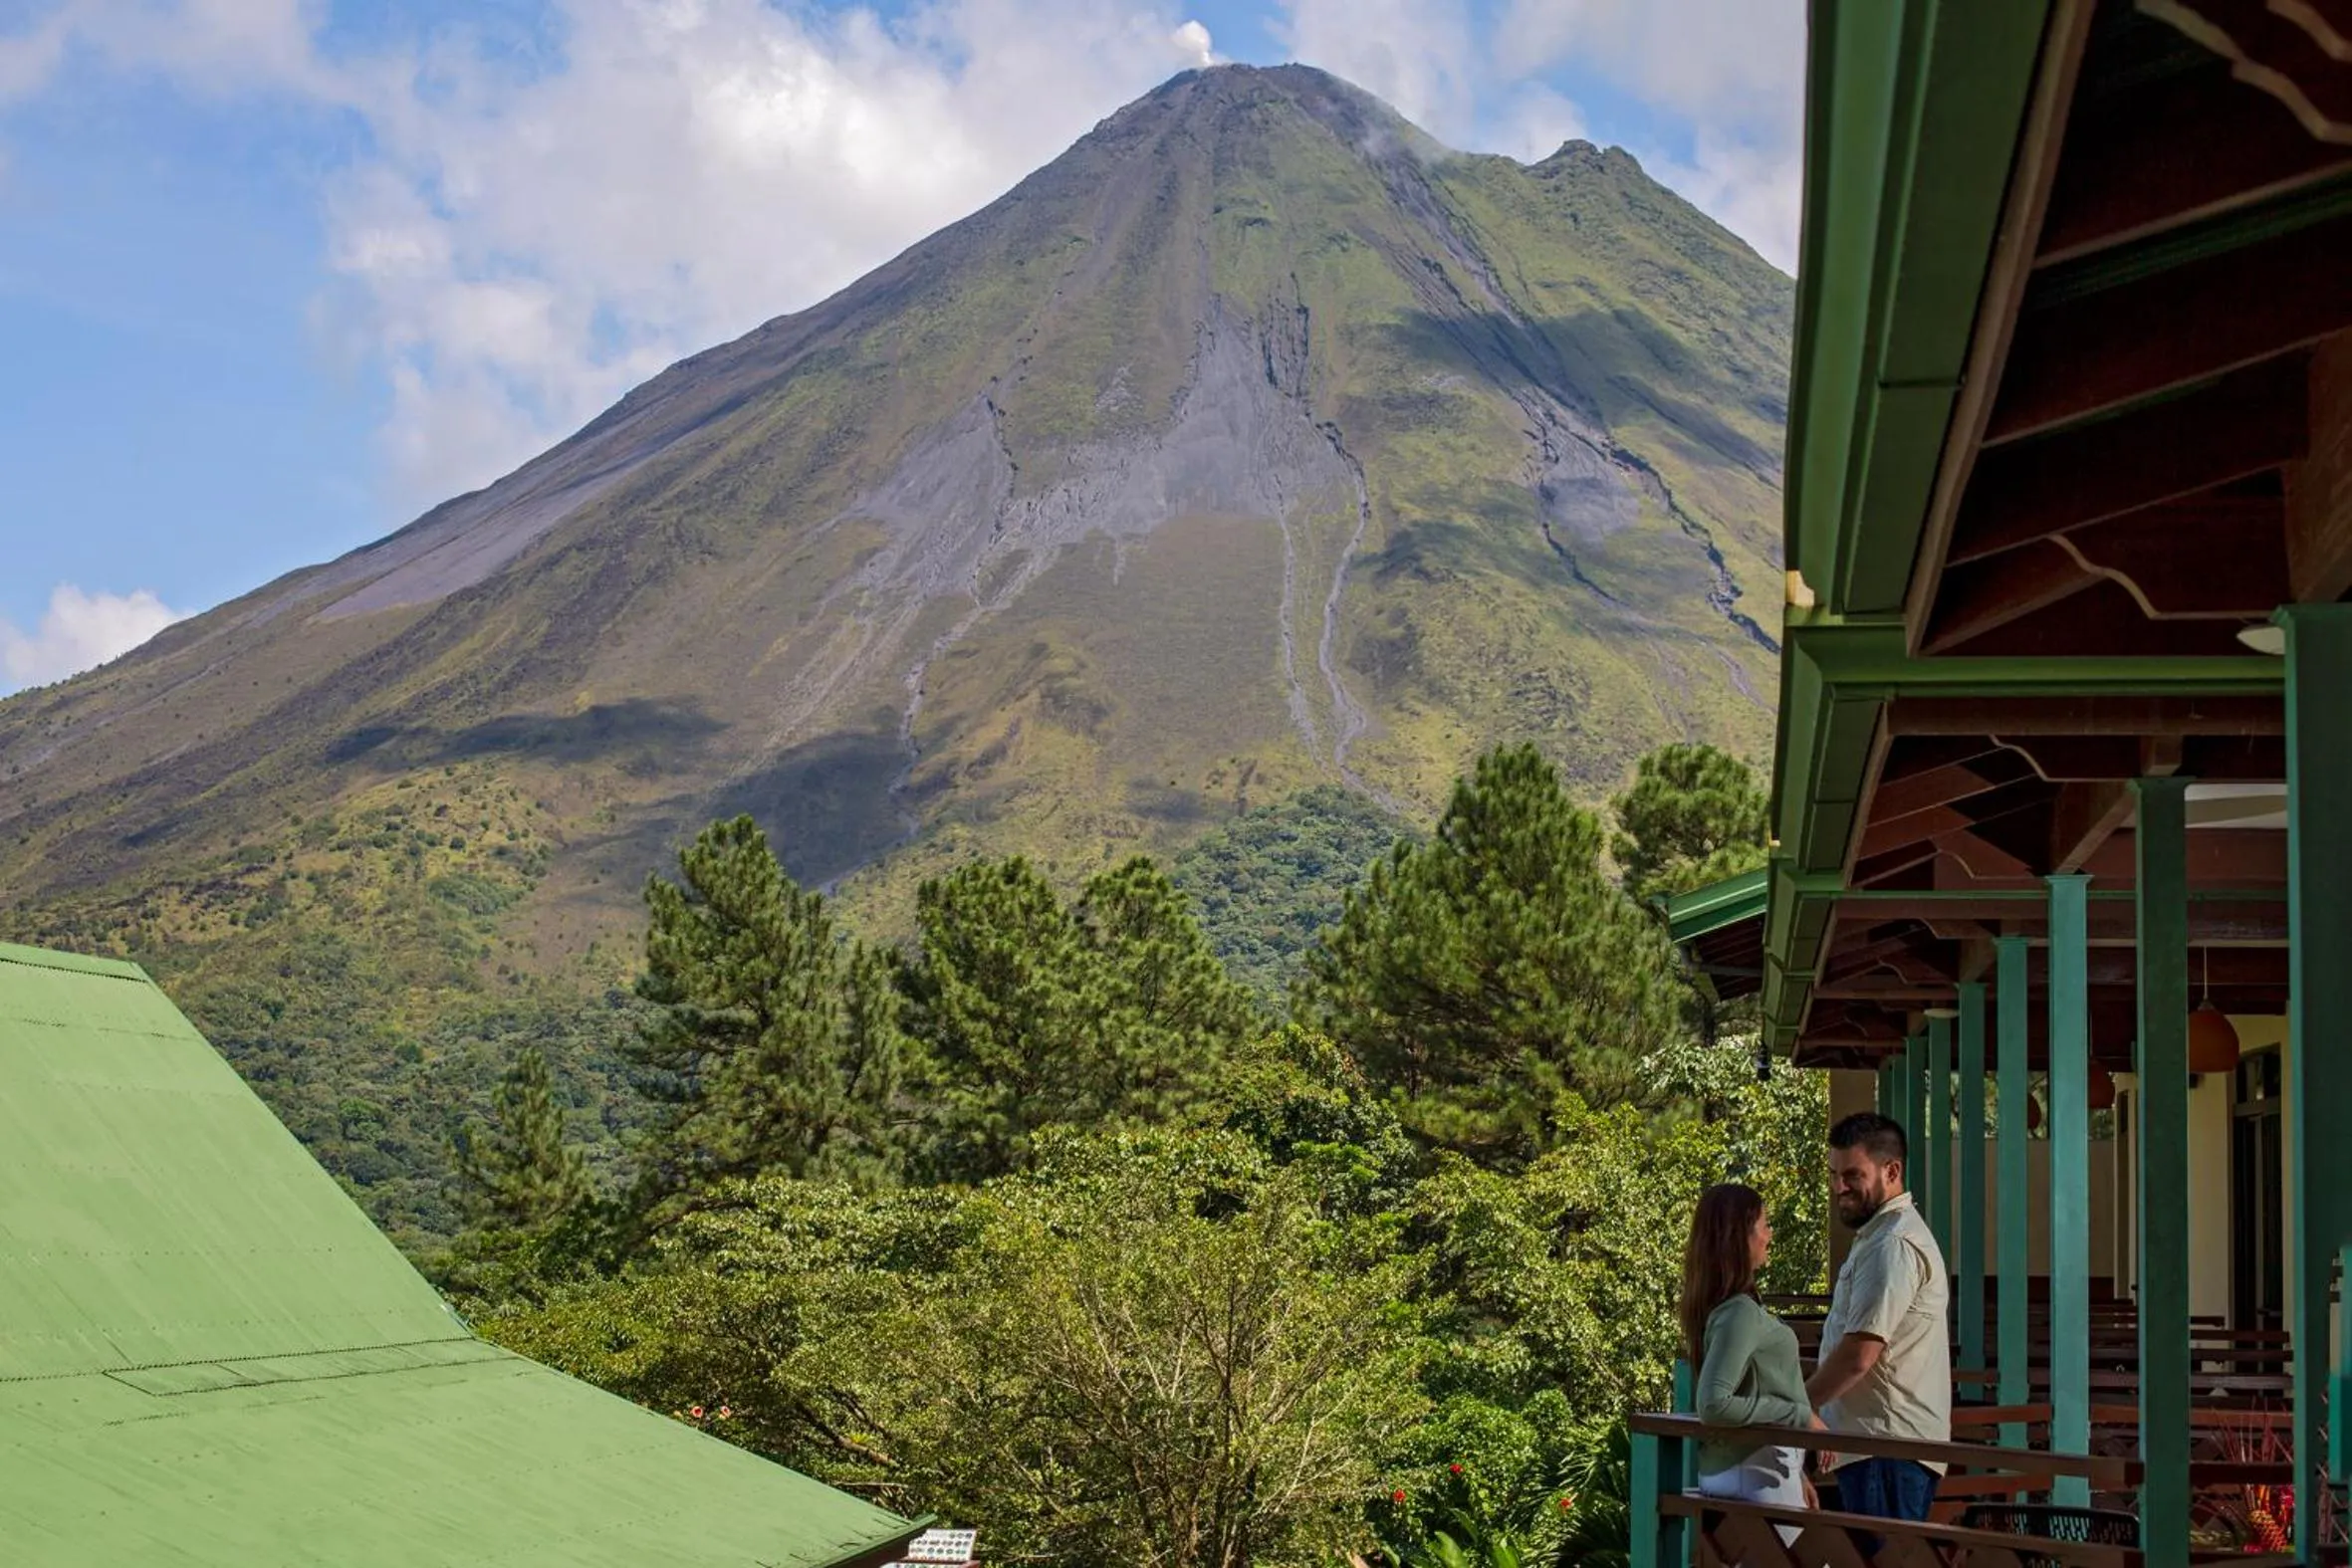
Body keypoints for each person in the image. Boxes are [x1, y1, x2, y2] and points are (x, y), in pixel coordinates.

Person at [1807, 1112, 1951, 1522]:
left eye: (1852, 1174)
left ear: (1892, 1170)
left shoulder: (1893, 1244)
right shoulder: (1879, 1236)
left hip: (1886, 1449)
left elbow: (1859, 1354)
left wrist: (1798, 1405)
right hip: (1880, 1448)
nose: (1838, 1187)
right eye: (1834, 1174)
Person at [1680, 1182, 1821, 1515]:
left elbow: (1757, 1386)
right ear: (1740, 1238)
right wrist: (1798, 1416)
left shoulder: (1728, 1309)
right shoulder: (1739, 1312)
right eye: (1765, 1225)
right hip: (1755, 1474)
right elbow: (1714, 1404)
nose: (1770, 1235)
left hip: (1759, 1469)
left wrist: (1797, 1470)